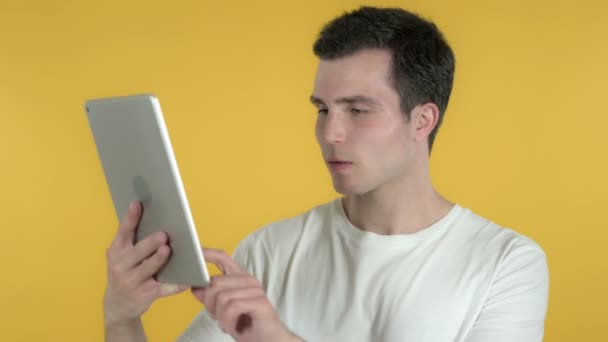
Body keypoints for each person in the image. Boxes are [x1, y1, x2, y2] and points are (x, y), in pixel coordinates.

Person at [103, 6, 549, 342]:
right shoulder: (271, 251)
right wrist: (122, 316)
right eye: (322, 109)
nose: (329, 132)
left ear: (422, 120)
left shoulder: (506, 264)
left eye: (357, 110)